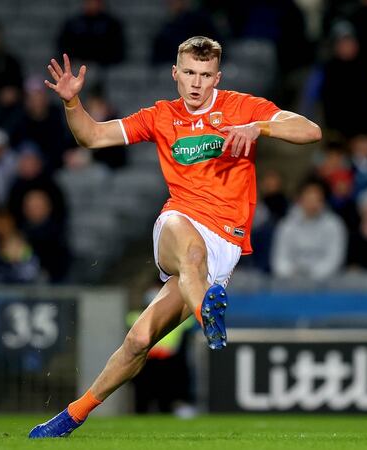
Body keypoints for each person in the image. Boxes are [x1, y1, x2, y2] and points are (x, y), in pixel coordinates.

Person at [29, 36, 321, 438]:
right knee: (191, 250)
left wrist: (260, 127)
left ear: (216, 77)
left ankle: (71, 416)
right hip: (178, 223)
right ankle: (209, 316)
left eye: (204, 75)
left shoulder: (241, 107)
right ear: (175, 74)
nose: (196, 83)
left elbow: (310, 130)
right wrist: (71, 103)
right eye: (188, 73)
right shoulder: (160, 116)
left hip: (225, 246)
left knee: (139, 340)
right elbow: (92, 137)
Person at [270, 179, 347, 281]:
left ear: (323, 201)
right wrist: (291, 274)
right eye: (309, 199)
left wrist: (312, 275)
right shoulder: (286, 225)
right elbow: (279, 258)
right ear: (300, 200)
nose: (312, 203)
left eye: (317, 199)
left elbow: (334, 258)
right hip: (291, 281)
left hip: (325, 282)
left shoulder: (334, 225)